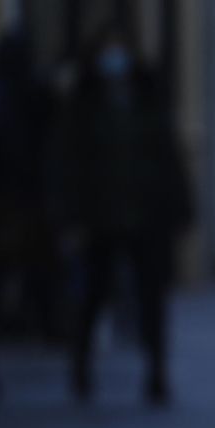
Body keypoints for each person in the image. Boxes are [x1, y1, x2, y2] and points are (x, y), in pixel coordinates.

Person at [55, 33, 192, 406]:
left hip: (145, 216)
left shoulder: (146, 101)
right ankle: (81, 368)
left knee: (151, 299)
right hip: (99, 217)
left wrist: (180, 208)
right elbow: (69, 164)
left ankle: (157, 371)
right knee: (93, 297)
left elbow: (167, 157)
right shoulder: (85, 105)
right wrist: (71, 216)